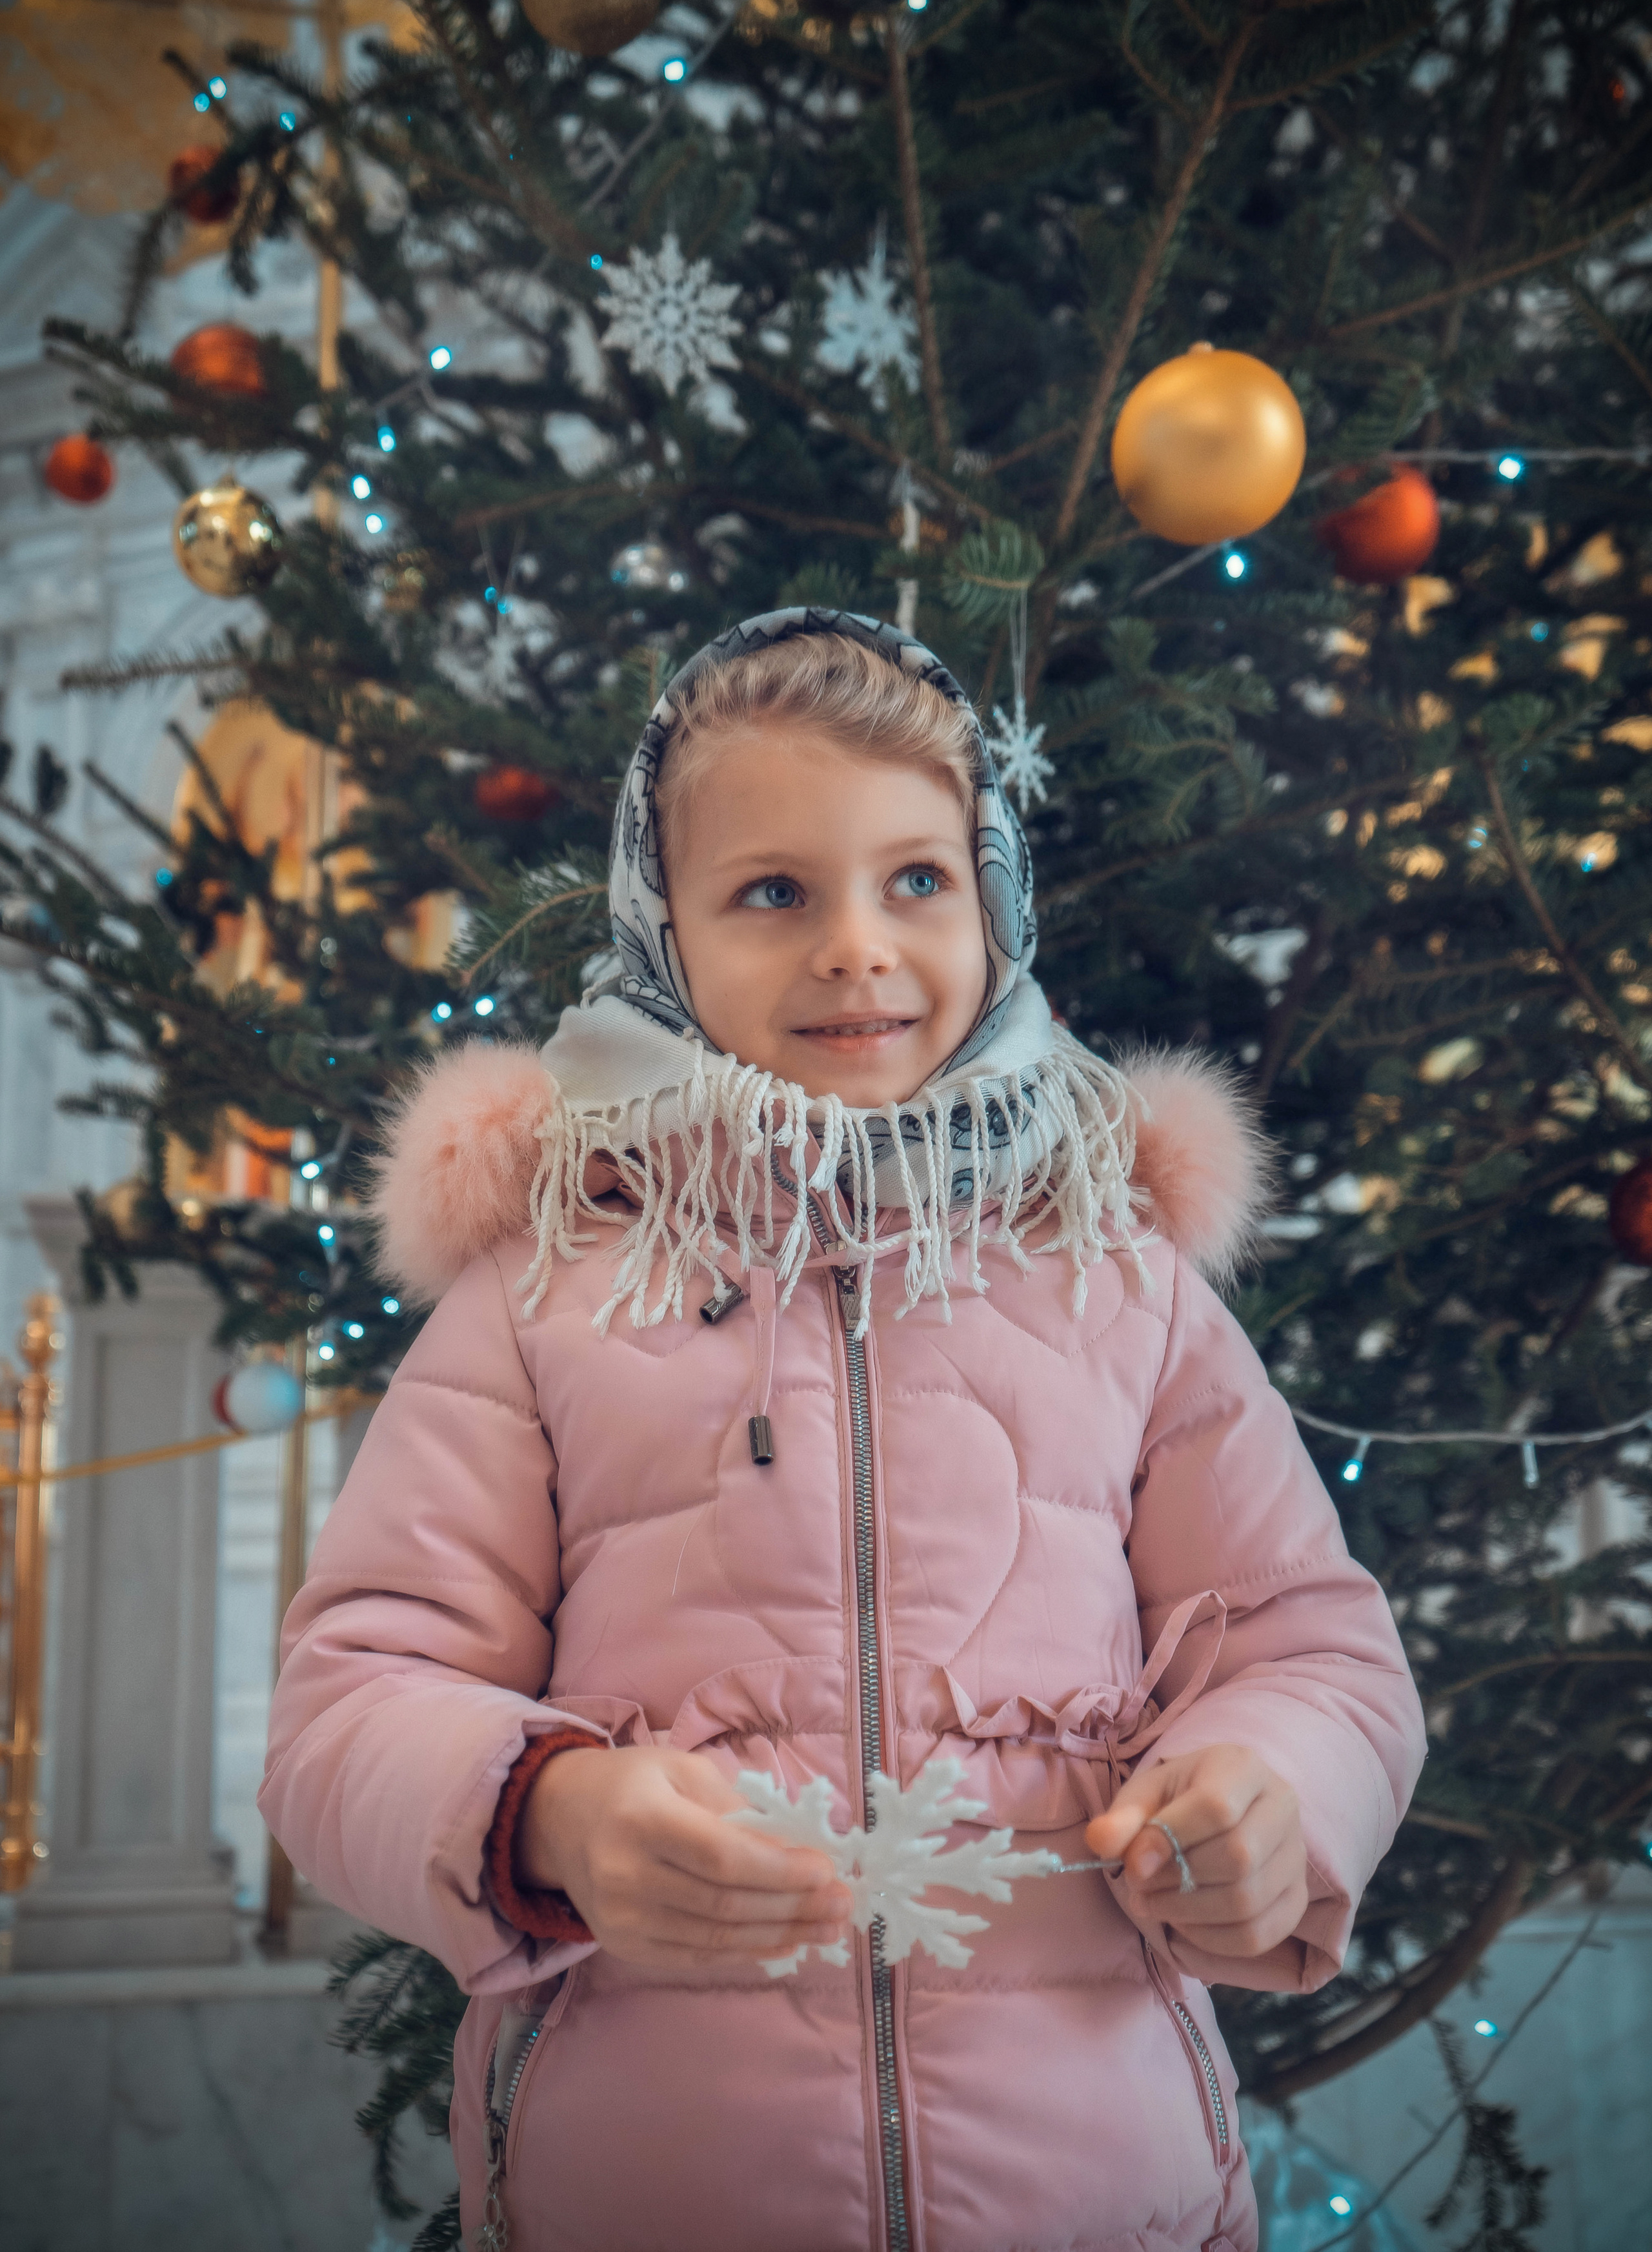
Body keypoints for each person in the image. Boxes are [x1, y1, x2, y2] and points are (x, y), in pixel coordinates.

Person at [261, 608, 1425, 2252]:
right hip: (654, 2194)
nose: (857, 948)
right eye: (773, 892)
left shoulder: (1117, 1277)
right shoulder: (543, 1293)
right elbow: (346, 1703)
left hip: (1102, 2196)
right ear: (660, 929)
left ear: (992, 899)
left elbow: (1317, 1648)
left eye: (916, 879)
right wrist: (548, 1816)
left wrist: (1272, 1792)